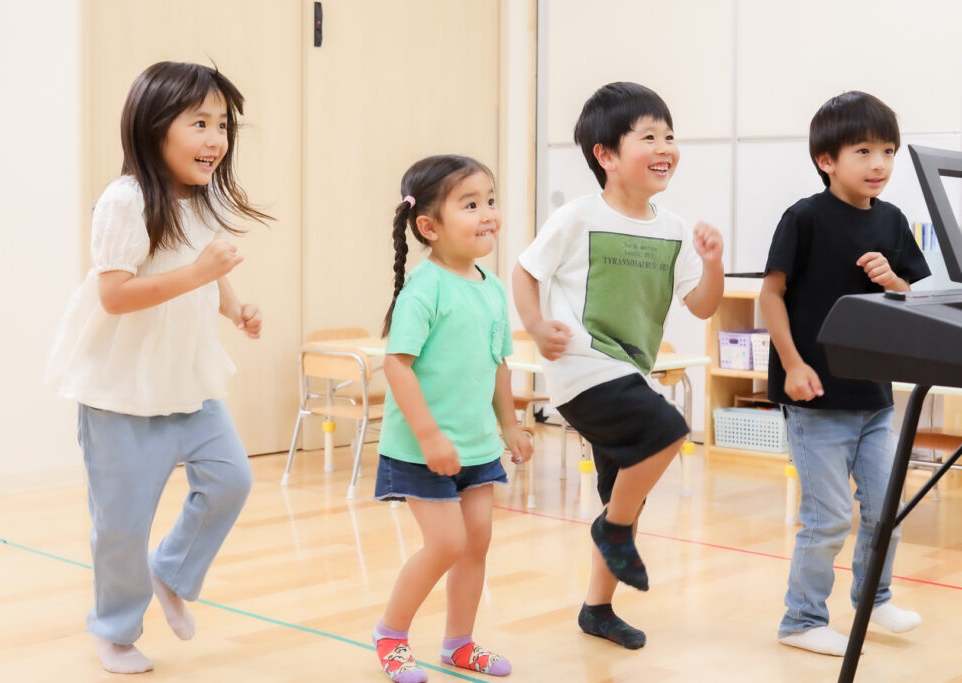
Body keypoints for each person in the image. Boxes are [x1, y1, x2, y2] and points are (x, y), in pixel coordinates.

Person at [47, 61, 271, 674]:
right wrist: (200, 274)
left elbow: (206, 269)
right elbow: (115, 295)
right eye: (199, 123)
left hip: (187, 380)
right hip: (120, 390)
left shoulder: (199, 198)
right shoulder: (124, 201)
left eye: (222, 125)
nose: (215, 139)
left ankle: (170, 571)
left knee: (231, 480)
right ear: (154, 128)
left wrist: (233, 307)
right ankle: (115, 631)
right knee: (122, 523)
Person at [513, 82, 724, 650]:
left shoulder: (672, 228)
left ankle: (598, 608)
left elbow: (703, 305)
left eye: (669, 136)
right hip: (582, 367)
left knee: (622, 492)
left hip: (631, 371)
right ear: (605, 154)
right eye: (648, 137)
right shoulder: (578, 217)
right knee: (667, 429)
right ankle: (614, 530)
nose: (664, 148)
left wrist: (713, 264)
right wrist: (536, 325)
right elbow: (526, 271)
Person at [760, 90, 928, 656]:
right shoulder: (804, 218)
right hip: (815, 398)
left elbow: (912, 296)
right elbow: (770, 295)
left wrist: (893, 281)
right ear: (826, 160)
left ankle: (873, 598)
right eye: (863, 151)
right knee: (827, 517)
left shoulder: (893, 221)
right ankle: (801, 620)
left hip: (874, 398)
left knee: (887, 510)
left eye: (888, 151)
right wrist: (793, 364)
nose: (879, 163)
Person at [371, 154, 533, 682]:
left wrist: (510, 427)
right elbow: (396, 366)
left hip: (477, 446)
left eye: (490, 201)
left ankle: (458, 643)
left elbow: (499, 363)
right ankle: (390, 634)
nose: (488, 214)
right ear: (429, 227)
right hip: (422, 449)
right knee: (446, 543)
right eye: (470, 204)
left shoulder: (491, 287)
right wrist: (430, 436)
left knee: (476, 542)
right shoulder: (425, 288)